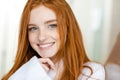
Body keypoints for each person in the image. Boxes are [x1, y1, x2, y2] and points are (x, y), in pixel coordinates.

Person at [2, 0, 105, 80]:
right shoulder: (22, 72)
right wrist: (26, 74)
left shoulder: (91, 73)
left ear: (68, 28)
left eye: (52, 25)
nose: (41, 37)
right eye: (33, 28)